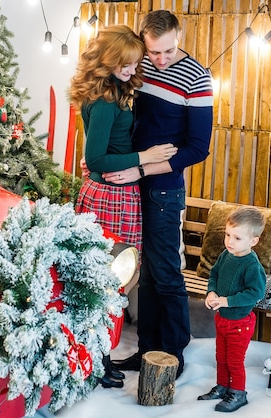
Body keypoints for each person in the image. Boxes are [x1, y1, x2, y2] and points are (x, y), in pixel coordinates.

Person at [69, 24, 177, 388]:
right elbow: (97, 158)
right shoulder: (103, 101)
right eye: (126, 64)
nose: (133, 70)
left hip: (119, 194)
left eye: (136, 63)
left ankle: (100, 356)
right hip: (110, 197)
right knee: (106, 279)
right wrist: (143, 158)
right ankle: (96, 359)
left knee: (115, 280)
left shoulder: (114, 90)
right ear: (109, 60)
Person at [108, 10, 214, 379]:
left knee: (167, 273)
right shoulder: (139, 65)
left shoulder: (197, 77)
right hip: (128, 185)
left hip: (163, 190)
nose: (161, 60)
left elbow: (198, 148)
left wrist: (140, 169)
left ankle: (173, 354)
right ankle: (147, 349)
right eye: (154, 53)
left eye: (168, 51)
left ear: (178, 37)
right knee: (145, 275)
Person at [198, 206, 266, 412]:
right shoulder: (226, 256)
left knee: (234, 361)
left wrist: (227, 301)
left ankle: (238, 393)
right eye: (228, 235)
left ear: (253, 241)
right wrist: (211, 292)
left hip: (240, 322)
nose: (229, 241)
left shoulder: (251, 265)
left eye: (237, 238)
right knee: (221, 357)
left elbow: (256, 292)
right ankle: (222, 386)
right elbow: (214, 275)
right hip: (223, 319)